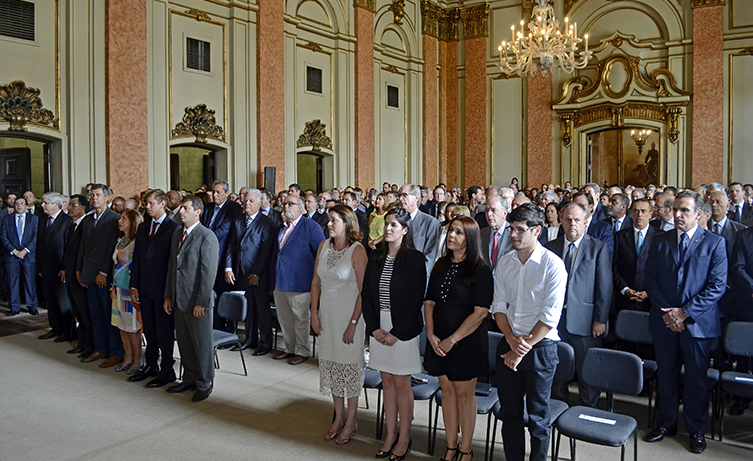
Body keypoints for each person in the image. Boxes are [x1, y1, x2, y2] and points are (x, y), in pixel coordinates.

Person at [643, 190, 727, 454]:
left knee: (696, 379)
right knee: (666, 375)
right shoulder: (659, 240)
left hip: (697, 324)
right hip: (665, 320)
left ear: (699, 214)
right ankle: (666, 424)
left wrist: (685, 312)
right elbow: (651, 279)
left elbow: (716, 286)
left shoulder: (714, 243)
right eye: (676, 209)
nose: (678, 215)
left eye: (685, 211)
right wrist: (669, 312)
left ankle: (696, 430)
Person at [492, 203, 567, 461]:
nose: (513, 235)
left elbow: (550, 316)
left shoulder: (552, 265)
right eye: (511, 228)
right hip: (510, 342)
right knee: (510, 414)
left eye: (520, 230)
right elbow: (498, 308)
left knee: (538, 417)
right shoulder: (505, 263)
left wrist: (522, 348)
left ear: (537, 231)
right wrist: (512, 342)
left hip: (541, 348)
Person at [424, 216, 494, 461]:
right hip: (439, 339)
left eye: (459, 233)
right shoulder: (441, 264)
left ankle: (466, 448)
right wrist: (431, 335)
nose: (451, 236)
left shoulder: (481, 269)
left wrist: (451, 340)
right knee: (447, 392)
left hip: (466, 342)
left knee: (464, 395)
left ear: (471, 238)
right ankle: (451, 445)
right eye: (450, 231)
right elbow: (429, 302)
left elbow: (481, 312)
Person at [362, 207, 426, 460]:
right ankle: (390, 434)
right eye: (386, 224)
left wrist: (396, 333)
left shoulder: (415, 258)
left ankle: (405, 437)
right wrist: (374, 328)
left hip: (404, 328)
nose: (388, 229)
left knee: (401, 382)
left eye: (394, 225)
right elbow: (366, 295)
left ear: (405, 230)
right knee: (386, 380)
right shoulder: (376, 255)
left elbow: (415, 299)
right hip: (379, 325)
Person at [310, 204, 368, 445]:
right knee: (332, 366)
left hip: (350, 318)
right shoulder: (323, 246)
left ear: (347, 223)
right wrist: (314, 312)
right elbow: (316, 282)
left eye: (334, 220)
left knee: (349, 368)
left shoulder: (357, 250)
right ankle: (339, 416)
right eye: (328, 220)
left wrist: (353, 322)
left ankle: (352, 419)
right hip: (328, 317)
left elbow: (364, 292)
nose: (329, 224)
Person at [545, 202, 612, 407]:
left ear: (585, 223)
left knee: (586, 368)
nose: (572, 223)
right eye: (567, 219)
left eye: (576, 220)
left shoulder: (598, 248)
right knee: (557, 365)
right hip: (555, 320)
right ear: (561, 223)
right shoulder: (550, 248)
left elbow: (605, 287)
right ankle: (558, 405)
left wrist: (600, 320)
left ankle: (587, 408)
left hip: (585, 320)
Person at [164, 196, 220, 402]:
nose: (181, 212)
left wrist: (201, 302)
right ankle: (189, 378)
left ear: (198, 212)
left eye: (185, 208)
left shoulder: (207, 237)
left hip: (197, 302)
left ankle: (205, 382)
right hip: (179, 298)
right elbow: (172, 267)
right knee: (185, 343)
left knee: (202, 345)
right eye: (180, 208)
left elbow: (207, 274)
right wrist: (168, 296)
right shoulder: (177, 234)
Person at [128, 189, 182, 387]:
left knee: (164, 332)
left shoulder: (174, 228)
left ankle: (167, 369)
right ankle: (151, 365)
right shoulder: (143, 228)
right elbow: (138, 260)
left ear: (162, 203)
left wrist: (169, 295)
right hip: (144, 288)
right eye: (145, 203)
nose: (147, 207)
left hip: (162, 291)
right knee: (149, 329)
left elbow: (172, 265)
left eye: (151, 203)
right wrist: (134, 286)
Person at [272, 194, 326, 364]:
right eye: (284, 204)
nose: (285, 206)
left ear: (300, 208)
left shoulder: (311, 227)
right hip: (280, 281)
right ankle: (289, 348)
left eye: (290, 204)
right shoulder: (281, 227)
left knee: (300, 320)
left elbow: (321, 253)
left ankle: (302, 351)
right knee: (285, 319)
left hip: (300, 282)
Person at [224, 189, 276, 355]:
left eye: (251, 201)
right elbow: (232, 245)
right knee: (248, 308)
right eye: (246, 200)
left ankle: (266, 343)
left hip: (258, 274)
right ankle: (250, 340)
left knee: (262, 309)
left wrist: (257, 273)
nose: (247, 203)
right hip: (241, 272)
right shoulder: (238, 220)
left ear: (259, 204)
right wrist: (228, 267)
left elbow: (266, 251)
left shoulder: (266, 222)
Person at [77, 184, 122, 367]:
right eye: (91, 195)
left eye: (97, 195)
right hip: (89, 272)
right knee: (95, 314)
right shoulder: (88, 219)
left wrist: (103, 272)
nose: (94, 198)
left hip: (104, 274)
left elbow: (113, 248)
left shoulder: (114, 219)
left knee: (108, 314)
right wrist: (80, 269)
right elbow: (83, 247)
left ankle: (115, 351)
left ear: (107, 198)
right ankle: (100, 347)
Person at [201, 179, 243, 332]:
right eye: (213, 191)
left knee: (225, 292)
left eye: (218, 192)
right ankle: (216, 325)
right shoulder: (208, 207)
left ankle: (229, 329)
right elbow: (202, 226)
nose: (215, 194)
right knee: (212, 292)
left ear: (227, 193)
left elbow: (224, 232)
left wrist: (204, 237)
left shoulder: (234, 208)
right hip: (207, 255)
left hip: (224, 255)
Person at [612, 198, 661, 315]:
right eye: (636, 211)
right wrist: (625, 289)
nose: (640, 215)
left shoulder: (661, 237)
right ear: (631, 213)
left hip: (651, 302)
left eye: (644, 211)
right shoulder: (620, 236)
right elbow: (614, 267)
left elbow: (664, 270)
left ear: (651, 214)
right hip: (624, 300)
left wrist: (648, 292)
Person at [36, 193, 74, 340]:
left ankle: (67, 331)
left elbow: (68, 247)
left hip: (60, 270)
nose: (43, 205)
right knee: (50, 301)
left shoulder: (67, 221)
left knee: (62, 302)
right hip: (45, 269)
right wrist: (39, 267)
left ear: (56, 205)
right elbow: (40, 245)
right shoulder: (43, 220)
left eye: (46, 203)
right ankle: (56, 328)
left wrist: (65, 267)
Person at [111, 209, 144, 375]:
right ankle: (128, 356)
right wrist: (112, 286)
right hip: (117, 287)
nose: (120, 221)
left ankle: (138, 358)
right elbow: (115, 265)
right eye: (120, 218)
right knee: (121, 326)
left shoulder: (137, 241)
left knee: (132, 327)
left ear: (133, 222)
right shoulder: (120, 239)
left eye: (124, 218)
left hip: (129, 289)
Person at [63, 194, 92, 356]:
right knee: (77, 311)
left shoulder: (86, 224)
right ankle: (81, 342)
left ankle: (88, 345)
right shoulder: (71, 224)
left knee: (84, 312)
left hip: (80, 276)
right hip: (70, 275)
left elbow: (84, 252)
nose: (69, 208)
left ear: (82, 207)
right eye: (69, 205)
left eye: (73, 205)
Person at [1, 198, 39, 316]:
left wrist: (25, 251)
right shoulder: (6, 219)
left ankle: (32, 305)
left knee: (30, 281)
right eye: (16, 204)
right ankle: (14, 307)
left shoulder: (34, 219)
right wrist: (14, 251)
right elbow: (3, 237)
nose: (19, 206)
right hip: (12, 255)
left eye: (22, 204)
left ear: (26, 206)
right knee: (12, 282)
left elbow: (35, 236)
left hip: (28, 255)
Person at [399, 184, 439, 277]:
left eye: (404, 195)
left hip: (418, 276)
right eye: (399, 196)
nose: (400, 199)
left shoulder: (430, 222)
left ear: (416, 197)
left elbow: (430, 256)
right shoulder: (396, 221)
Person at [480, 195, 512, 271]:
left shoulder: (514, 233)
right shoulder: (481, 234)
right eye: (487, 210)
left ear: (504, 213)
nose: (489, 214)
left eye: (494, 210)